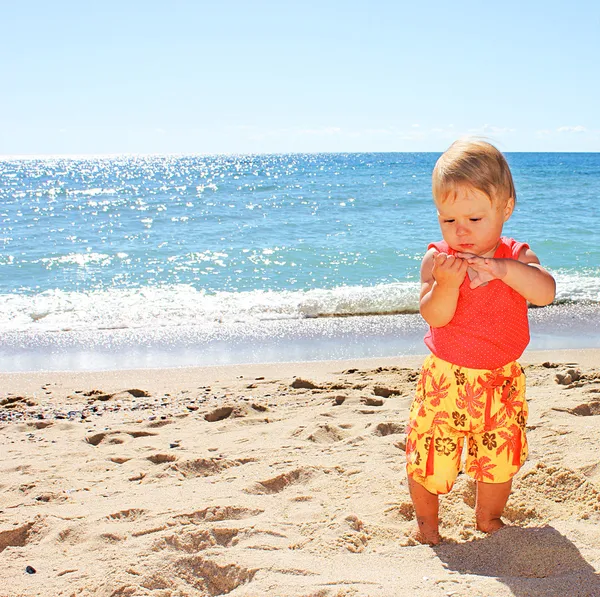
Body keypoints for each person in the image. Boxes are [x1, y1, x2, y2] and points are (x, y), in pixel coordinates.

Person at [405, 139, 556, 545]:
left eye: (473, 218)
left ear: (505, 209)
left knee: (499, 460)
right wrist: (447, 286)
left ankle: (488, 518)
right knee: (430, 454)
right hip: (445, 381)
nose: (461, 231)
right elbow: (433, 315)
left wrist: (504, 270)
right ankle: (427, 526)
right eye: (448, 220)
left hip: (501, 380)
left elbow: (545, 293)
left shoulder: (517, 257)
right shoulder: (438, 260)